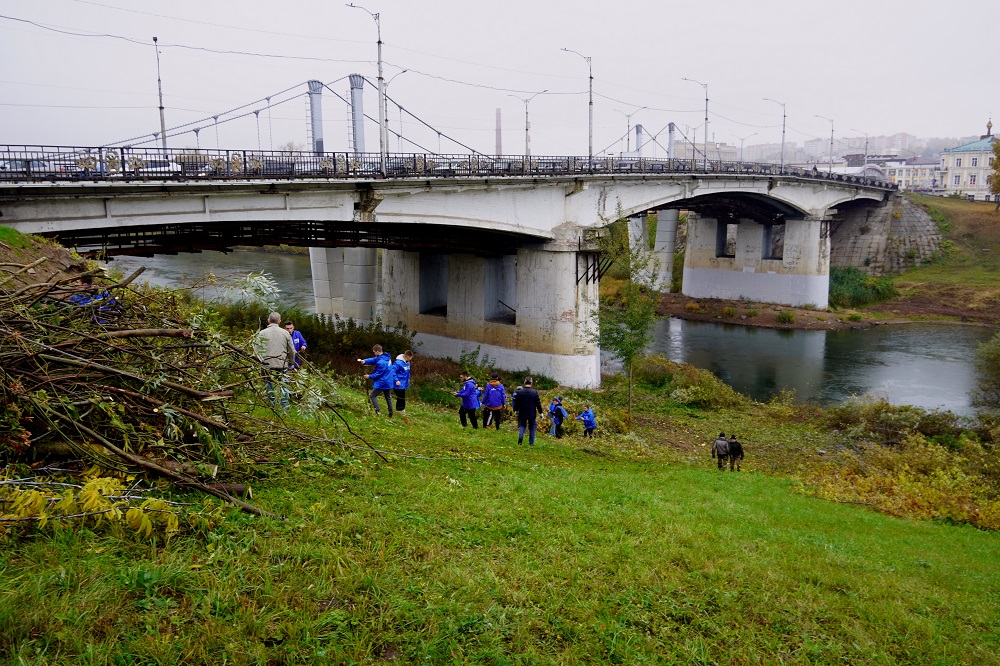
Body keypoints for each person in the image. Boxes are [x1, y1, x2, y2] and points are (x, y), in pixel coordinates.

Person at [255, 312, 295, 410]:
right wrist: (291, 362)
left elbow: (256, 350)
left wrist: (259, 362)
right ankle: (285, 406)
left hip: (266, 363)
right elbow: (291, 350)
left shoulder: (262, 333)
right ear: (280, 322)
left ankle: (272, 405)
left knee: (268, 383)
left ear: (268, 321)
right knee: (284, 385)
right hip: (282, 363)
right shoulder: (285, 333)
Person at [359, 344, 395, 416]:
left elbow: (378, 374)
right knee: (388, 397)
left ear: (378, 351)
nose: (374, 353)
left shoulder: (381, 362)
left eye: (374, 352)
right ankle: (391, 413)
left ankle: (378, 411)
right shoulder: (385, 357)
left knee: (372, 396)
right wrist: (365, 361)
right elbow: (374, 359)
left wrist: (369, 376)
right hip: (388, 381)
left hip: (383, 382)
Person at [512, 376, 543, 445]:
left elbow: (517, 403)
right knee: (532, 426)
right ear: (531, 383)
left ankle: (520, 438)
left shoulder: (520, 392)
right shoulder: (534, 392)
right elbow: (538, 403)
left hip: (522, 412)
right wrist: (541, 412)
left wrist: (516, 410)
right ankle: (531, 442)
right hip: (531, 413)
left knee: (523, 425)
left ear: (524, 382)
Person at [392, 350, 414, 416]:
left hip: (404, 383)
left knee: (401, 396)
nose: (411, 359)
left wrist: (408, 378)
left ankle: (399, 409)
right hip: (398, 383)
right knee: (401, 396)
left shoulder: (407, 363)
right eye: (411, 357)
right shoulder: (398, 363)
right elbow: (393, 372)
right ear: (408, 356)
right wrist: (396, 380)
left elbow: (407, 372)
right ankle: (401, 409)